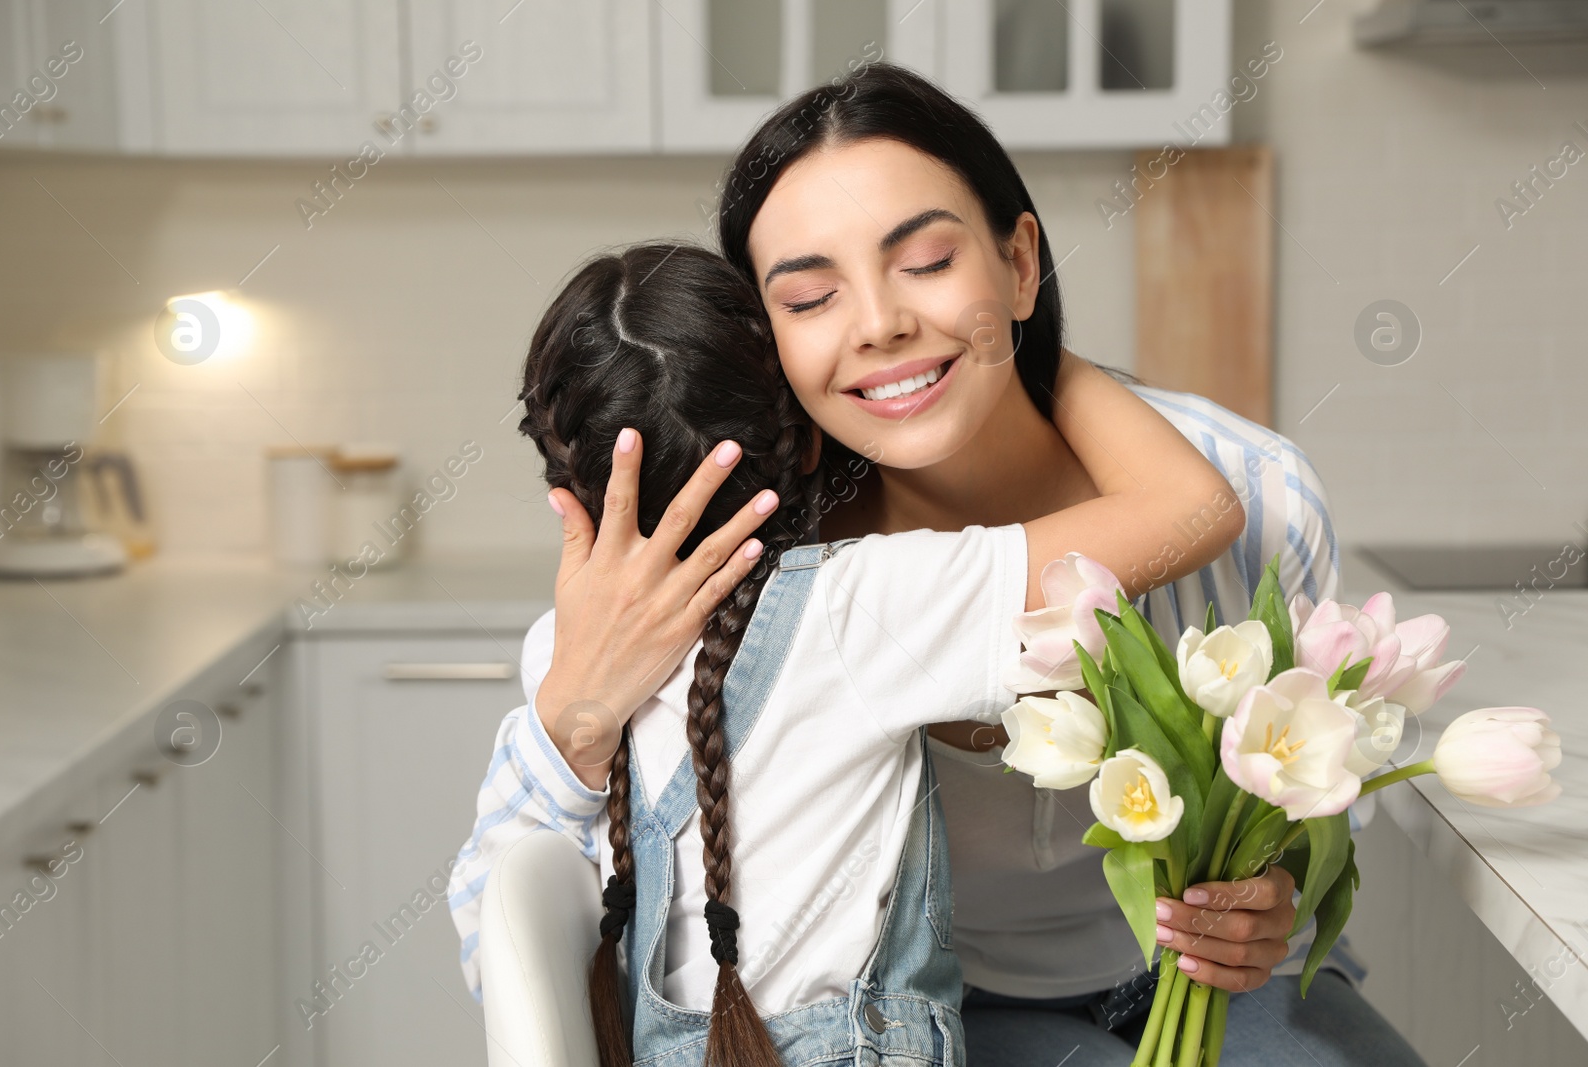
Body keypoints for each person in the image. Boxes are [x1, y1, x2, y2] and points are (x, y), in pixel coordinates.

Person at [707, 63, 1425, 1065]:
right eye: (812, 296)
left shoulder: (1257, 493)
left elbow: (1320, 770)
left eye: (924, 261)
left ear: (1017, 260)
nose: (877, 323)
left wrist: (1275, 892)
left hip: (1223, 982)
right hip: (957, 1002)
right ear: (767, 343)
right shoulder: (786, 568)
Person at [449, 241, 1243, 1066]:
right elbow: (1192, 507)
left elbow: (499, 949)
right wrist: (1018, 338)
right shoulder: (864, 602)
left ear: (563, 485)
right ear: (809, 443)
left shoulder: (557, 653)